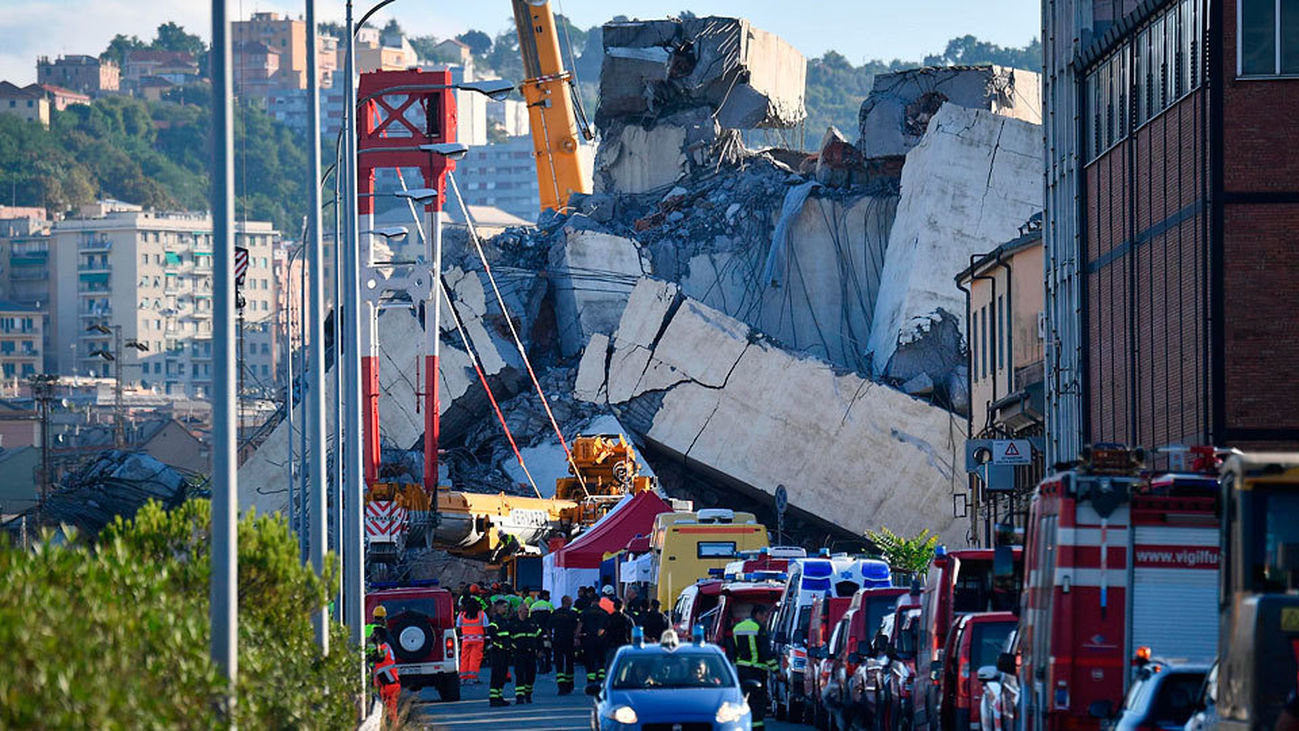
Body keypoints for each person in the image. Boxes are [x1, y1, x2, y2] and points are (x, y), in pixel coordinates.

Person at [728, 605, 777, 729]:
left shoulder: (736, 628)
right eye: (764, 616)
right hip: (757, 672)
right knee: (758, 703)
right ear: (758, 614)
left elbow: (732, 652)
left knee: (745, 701)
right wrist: (776, 671)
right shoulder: (759, 628)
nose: (765, 620)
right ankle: (757, 727)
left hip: (742, 671)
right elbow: (766, 653)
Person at [368, 624, 401, 725]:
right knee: (389, 712)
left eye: (373, 634)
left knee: (391, 713)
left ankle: (394, 728)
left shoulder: (383, 648)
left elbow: (377, 658)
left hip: (390, 684)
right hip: (388, 684)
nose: (371, 636)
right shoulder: (384, 646)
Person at [508, 603, 541, 703]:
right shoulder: (513, 624)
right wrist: (513, 649)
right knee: (520, 674)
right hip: (519, 653)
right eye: (525, 610)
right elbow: (509, 639)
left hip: (531, 653)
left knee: (531, 674)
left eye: (528, 610)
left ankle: (528, 693)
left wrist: (540, 650)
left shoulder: (533, 623)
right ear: (519, 611)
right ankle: (519, 696)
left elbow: (538, 637)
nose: (527, 612)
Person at [485, 600, 514, 707]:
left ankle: (499, 696)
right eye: (504, 607)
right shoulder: (496, 620)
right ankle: (494, 698)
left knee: (502, 675)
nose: (505, 609)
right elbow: (491, 631)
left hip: (504, 652)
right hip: (498, 652)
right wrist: (500, 643)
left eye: (506, 607)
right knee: (497, 675)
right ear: (497, 608)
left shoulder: (503, 620)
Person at [549, 595, 580, 694]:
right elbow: (577, 627)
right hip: (568, 640)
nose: (571, 603)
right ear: (567, 602)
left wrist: (550, 638)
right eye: (570, 601)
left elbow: (548, 627)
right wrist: (576, 638)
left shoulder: (556, 613)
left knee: (559, 663)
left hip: (557, 640)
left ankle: (561, 686)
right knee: (569, 662)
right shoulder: (571, 614)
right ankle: (569, 685)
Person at [600, 598, 636, 674]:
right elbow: (633, 633)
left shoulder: (609, 618)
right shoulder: (628, 619)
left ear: (613, 606)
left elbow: (601, 632)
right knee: (624, 668)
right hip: (624, 646)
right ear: (622, 606)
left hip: (611, 646)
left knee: (610, 667)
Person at [578, 592, 608, 682]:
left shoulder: (585, 612)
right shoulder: (604, 613)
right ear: (599, 601)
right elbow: (607, 627)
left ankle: (591, 679)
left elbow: (580, 625)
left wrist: (576, 637)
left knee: (590, 659)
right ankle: (601, 678)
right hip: (601, 639)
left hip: (589, 638)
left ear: (591, 601)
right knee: (601, 659)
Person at [456, 593, 486, 684]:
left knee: (464, 658)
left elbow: (458, 627)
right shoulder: (481, 614)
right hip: (478, 640)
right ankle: (473, 677)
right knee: (475, 658)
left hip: (465, 640)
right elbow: (486, 626)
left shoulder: (461, 615)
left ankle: (463, 677)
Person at [530, 590, 555, 674]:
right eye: (548, 596)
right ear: (544, 596)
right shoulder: (549, 605)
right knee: (547, 648)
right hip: (546, 630)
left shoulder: (533, 606)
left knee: (538, 648)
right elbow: (552, 618)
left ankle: (541, 666)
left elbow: (530, 618)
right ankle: (548, 666)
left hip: (536, 630)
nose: (549, 598)